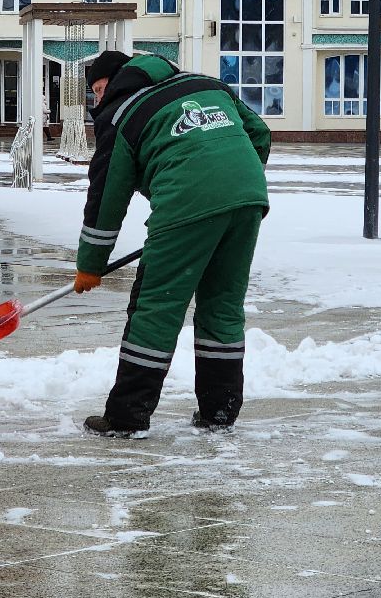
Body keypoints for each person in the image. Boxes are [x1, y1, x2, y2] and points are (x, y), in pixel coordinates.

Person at [74, 49, 270, 437]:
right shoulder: (206, 84)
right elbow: (259, 134)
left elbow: (105, 199)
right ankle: (219, 412)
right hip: (247, 198)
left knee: (156, 307)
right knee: (223, 305)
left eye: (99, 89)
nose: (98, 100)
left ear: (119, 80)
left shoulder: (123, 115)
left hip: (187, 204)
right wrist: (228, 188)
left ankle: (127, 418)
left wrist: (90, 263)